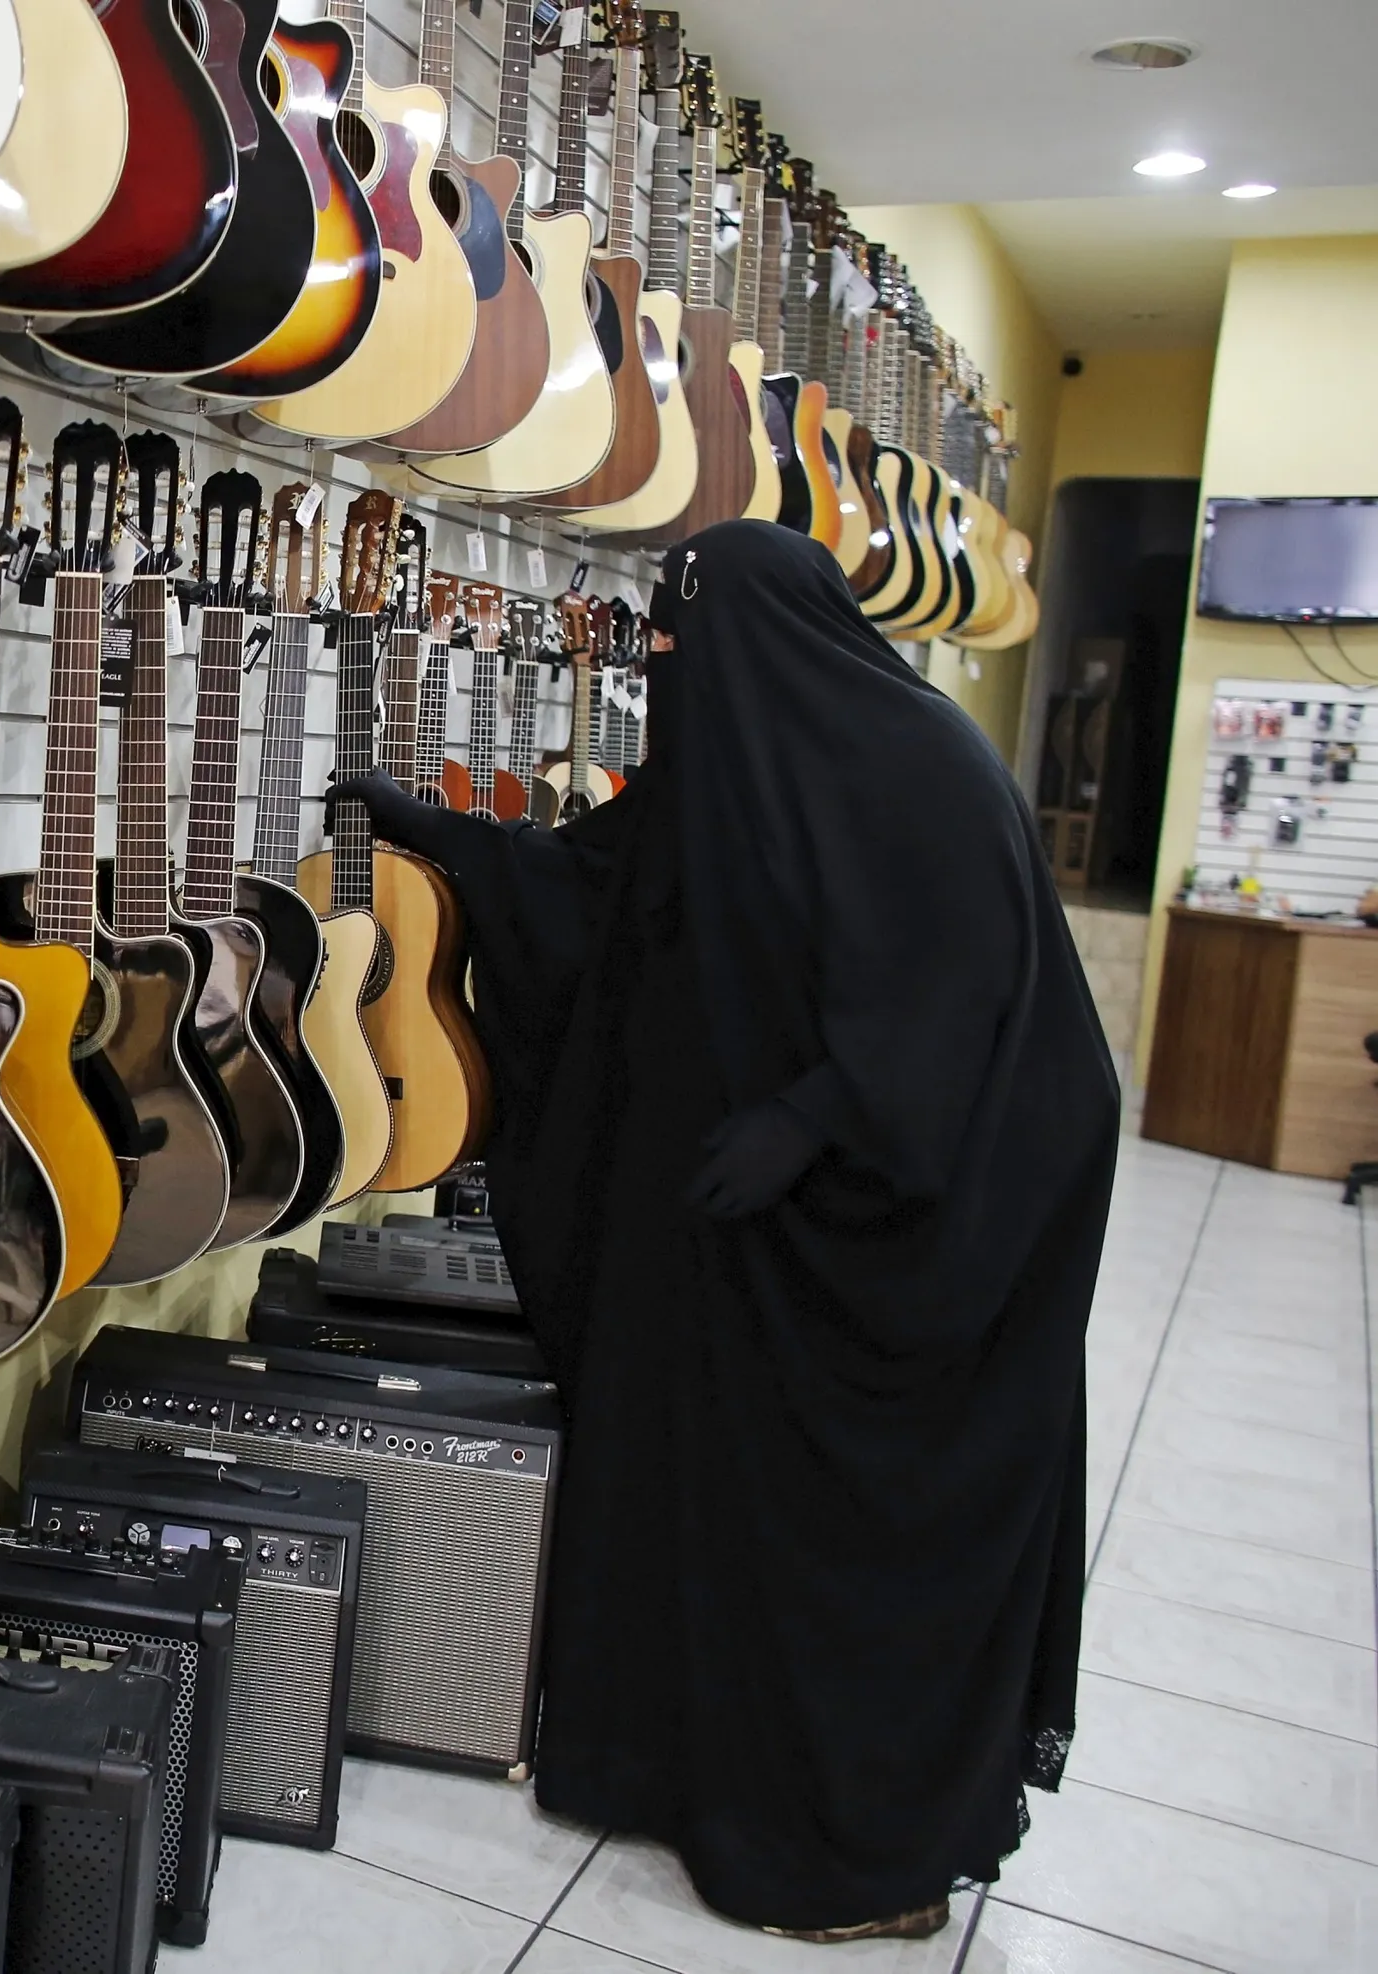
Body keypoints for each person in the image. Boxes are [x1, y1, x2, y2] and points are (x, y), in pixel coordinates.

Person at [328, 521, 1118, 1941]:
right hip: (755, 1240)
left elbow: (964, 993)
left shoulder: (928, 768)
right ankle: (686, 1768)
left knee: (847, 1541)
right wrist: (443, 837)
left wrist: (812, 1118)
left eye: (684, 638)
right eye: (659, 638)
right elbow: (603, 895)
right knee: (720, 1498)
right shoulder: (732, 761)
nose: (666, 663)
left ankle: (865, 1863)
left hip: (910, 1247)